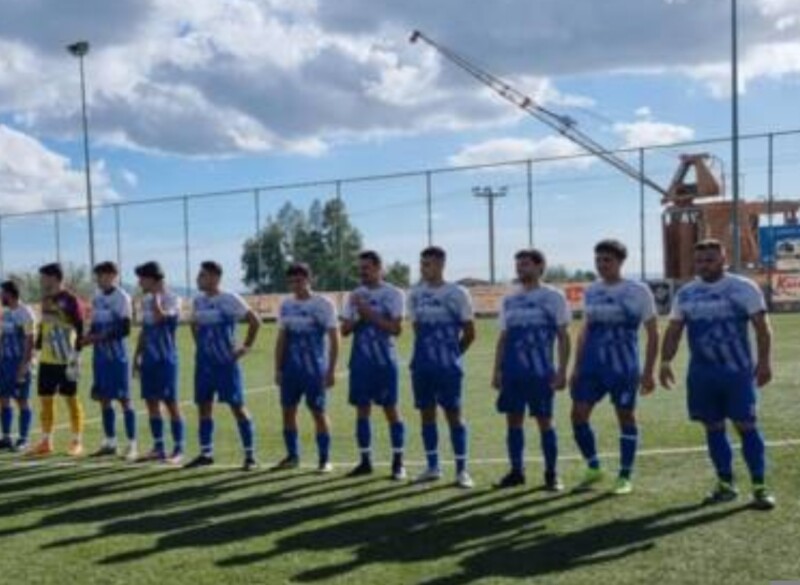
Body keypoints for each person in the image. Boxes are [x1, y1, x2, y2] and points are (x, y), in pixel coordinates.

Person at [660, 239, 776, 510]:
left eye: (710, 260)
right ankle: (725, 484)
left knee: (746, 425)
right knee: (712, 427)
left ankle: (759, 487)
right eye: (699, 261)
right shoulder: (686, 294)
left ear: (724, 260)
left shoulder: (743, 288)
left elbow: (762, 328)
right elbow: (674, 329)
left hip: (737, 374)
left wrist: (764, 363)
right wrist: (665, 362)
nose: (704, 265)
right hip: (702, 375)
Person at [570, 239, 658, 495]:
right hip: (591, 366)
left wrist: (649, 371)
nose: (601, 265)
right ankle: (593, 467)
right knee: (578, 415)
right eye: (598, 260)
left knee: (625, 417)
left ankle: (624, 475)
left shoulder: (638, 290)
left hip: (623, 367)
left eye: (607, 260)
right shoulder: (592, 291)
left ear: (620, 262)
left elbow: (653, 333)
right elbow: (585, 329)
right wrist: (576, 367)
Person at [492, 249, 571, 491]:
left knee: (545, 422)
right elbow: (503, 337)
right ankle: (517, 471)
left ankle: (552, 474)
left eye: (525, 264)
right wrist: (497, 370)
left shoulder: (553, 297)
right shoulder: (509, 299)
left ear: (539, 267)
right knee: (513, 422)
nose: (520, 268)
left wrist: (562, 371)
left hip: (541, 373)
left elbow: (563, 336)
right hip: (513, 373)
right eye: (518, 264)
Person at [408, 246, 476, 489]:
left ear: (440, 265)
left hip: (448, 368)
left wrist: (452, 356)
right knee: (426, 415)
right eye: (421, 263)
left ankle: (462, 470)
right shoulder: (415, 294)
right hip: (422, 366)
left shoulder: (458, 293)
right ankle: (433, 467)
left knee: (454, 415)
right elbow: (417, 329)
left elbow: (470, 333)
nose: (423, 268)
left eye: (427, 264)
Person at [185, 261, 261, 471]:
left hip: (225, 364)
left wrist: (245, 347)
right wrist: (200, 345)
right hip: (204, 364)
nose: (198, 279)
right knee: (204, 406)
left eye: (202, 275)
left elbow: (255, 321)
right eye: (199, 275)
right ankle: (206, 454)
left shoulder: (230, 298)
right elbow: (193, 323)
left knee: (237, 407)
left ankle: (250, 456)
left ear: (215, 277)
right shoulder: (198, 300)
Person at [341, 251, 407, 480]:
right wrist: (358, 316)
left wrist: (368, 312)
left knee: (391, 409)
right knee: (362, 410)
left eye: (366, 268)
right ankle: (365, 461)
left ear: (379, 268)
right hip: (360, 362)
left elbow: (396, 329)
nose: (362, 273)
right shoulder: (354, 295)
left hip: (384, 362)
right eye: (360, 268)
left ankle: (398, 463)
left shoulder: (394, 293)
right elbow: (344, 331)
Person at [272, 263, 339, 474]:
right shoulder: (286, 305)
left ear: (310, 280)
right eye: (291, 281)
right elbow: (281, 338)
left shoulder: (323, 304)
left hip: (314, 370)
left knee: (318, 412)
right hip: (291, 370)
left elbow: (334, 338)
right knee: (287, 412)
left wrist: (331, 370)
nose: (295, 285)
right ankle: (293, 456)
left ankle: (325, 459)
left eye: (299, 280)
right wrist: (278, 368)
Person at [29, 263, 85, 457]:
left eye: (43, 277)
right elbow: (43, 326)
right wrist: (36, 350)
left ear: (54, 278)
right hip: (46, 360)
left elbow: (80, 327)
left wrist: (76, 354)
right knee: (45, 401)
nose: (41, 281)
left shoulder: (70, 300)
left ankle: (77, 442)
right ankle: (46, 441)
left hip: (66, 359)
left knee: (71, 399)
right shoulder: (45, 299)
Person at [132, 261, 185, 464]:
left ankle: (178, 449)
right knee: (151, 402)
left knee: (171, 404)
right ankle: (158, 447)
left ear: (153, 279)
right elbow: (145, 330)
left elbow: (161, 317)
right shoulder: (145, 300)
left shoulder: (173, 299)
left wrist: (156, 296)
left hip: (166, 359)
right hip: (149, 359)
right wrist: (137, 356)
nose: (139, 283)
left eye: (142, 279)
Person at [84, 262, 137, 461]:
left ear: (113, 275)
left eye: (101, 275)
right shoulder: (97, 298)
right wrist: (86, 339)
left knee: (124, 399)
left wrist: (98, 337)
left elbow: (125, 329)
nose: (98, 279)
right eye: (97, 275)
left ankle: (132, 445)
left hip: (117, 358)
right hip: (100, 358)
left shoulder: (122, 297)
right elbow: (95, 326)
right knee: (104, 398)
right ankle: (110, 442)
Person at [0, 281, 36, 452]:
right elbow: (3, 337)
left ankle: (23, 439)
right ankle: (6, 437)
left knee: (22, 400)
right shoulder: (6, 313)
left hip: (20, 363)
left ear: (10, 293)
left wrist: (24, 365)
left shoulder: (26, 312)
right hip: (5, 362)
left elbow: (30, 340)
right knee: (3, 398)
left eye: (2, 293)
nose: (1, 296)